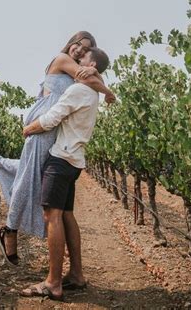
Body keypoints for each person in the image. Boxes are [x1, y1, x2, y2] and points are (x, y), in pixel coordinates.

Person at [0, 31, 115, 264]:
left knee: (33, 172)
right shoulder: (62, 60)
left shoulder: (80, 74)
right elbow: (94, 84)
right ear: (72, 42)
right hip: (43, 125)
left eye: (85, 49)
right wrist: (107, 90)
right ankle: (9, 230)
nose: (78, 50)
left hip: (54, 130)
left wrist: (97, 75)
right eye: (78, 44)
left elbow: (92, 82)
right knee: (28, 178)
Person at [19, 46, 110, 302]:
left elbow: (51, 119)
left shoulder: (79, 89)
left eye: (83, 59)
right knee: (66, 214)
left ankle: (53, 282)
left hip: (60, 160)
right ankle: (76, 275)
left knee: (52, 217)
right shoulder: (93, 93)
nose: (77, 61)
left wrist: (29, 129)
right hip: (75, 161)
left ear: (92, 66)